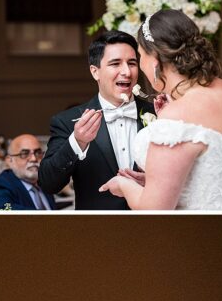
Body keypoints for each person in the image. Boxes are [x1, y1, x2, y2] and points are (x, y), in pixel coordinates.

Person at [99, 10, 222, 210]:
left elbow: (154, 211)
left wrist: (124, 186)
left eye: (140, 56)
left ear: (155, 59)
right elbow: (217, 175)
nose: (140, 66)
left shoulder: (178, 116)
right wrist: (157, 182)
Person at [38, 31, 152, 211]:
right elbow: (48, 183)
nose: (126, 72)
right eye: (115, 64)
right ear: (95, 72)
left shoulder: (157, 114)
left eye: (132, 63)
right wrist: (77, 142)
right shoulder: (67, 121)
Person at [0, 134, 56, 210]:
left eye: (38, 153)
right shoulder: (1, 185)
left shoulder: (43, 182)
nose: (33, 158)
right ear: (10, 161)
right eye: (24, 154)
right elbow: (3, 209)